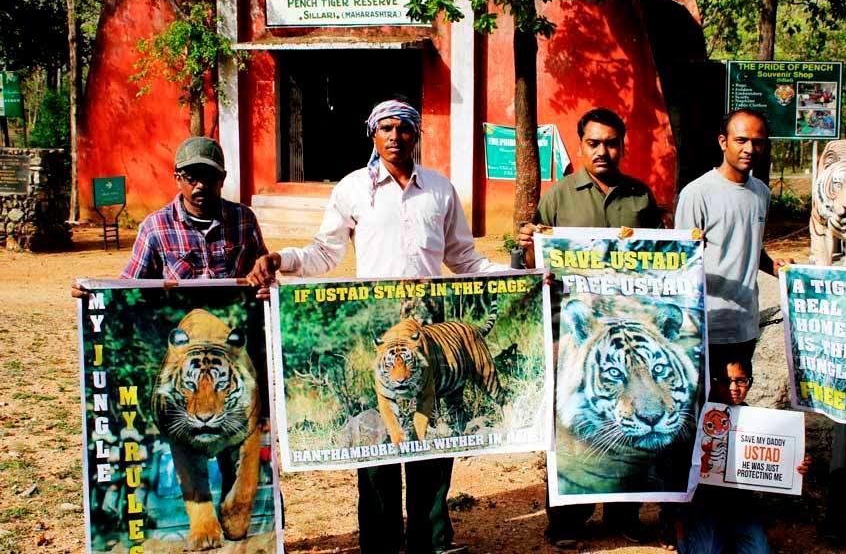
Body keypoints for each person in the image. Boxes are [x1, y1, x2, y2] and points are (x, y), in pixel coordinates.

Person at [247, 99, 503, 554]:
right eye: (385, 128)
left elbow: (464, 258)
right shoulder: (352, 189)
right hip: (382, 331)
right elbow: (324, 252)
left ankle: (430, 541)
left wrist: (524, 276)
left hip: (427, 329)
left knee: (430, 438)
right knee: (379, 444)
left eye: (404, 128)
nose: (395, 136)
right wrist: (281, 259)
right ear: (372, 134)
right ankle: (381, 544)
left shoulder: (440, 190)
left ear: (416, 134)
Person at [517, 108, 664, 548]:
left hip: (629, 334)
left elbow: (661, 259)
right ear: (580, 146)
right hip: (573, 334)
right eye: (593, 143)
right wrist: (528, 245)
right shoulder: (558, 197)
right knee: (571, 426)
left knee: (630, 423)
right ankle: (566, 521)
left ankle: (624, 514)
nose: (603, 151)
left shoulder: (640, 197)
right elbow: (535, 264)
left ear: (623, 146)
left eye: (611, 143)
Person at [71, 136, 267, 295]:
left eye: (209, 177)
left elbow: (262, 274)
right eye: (191, 177)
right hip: (180, 328)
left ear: (222, 179)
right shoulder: (155, 228)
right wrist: (93, 294)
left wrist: (266, 286)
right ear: (177, 179)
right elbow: (129, 287)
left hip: (233, 326)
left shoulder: (244, 220)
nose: (201, 185)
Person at [674, 109, 790, 372]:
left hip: (745, 325)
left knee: (738, 395)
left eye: (757, 142)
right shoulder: (696, 194)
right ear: (723, 142)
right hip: (706, 325)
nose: (750, 149)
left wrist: (773, 266)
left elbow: (751, 246)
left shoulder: (761, 192)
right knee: (708, 397)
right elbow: (681, 261)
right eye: (741, 140)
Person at [676, 355, 811, 554]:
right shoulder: (699, 416)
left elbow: (776, 461)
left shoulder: (759, 421)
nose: (733, 388)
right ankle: (679, 532)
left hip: (741, 504)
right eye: (725, 381)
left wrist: (794, 465)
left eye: (740, 381)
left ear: (750, 382)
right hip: (704, 502)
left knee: (759, 551)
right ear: (714, 382)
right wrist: (676, 519)